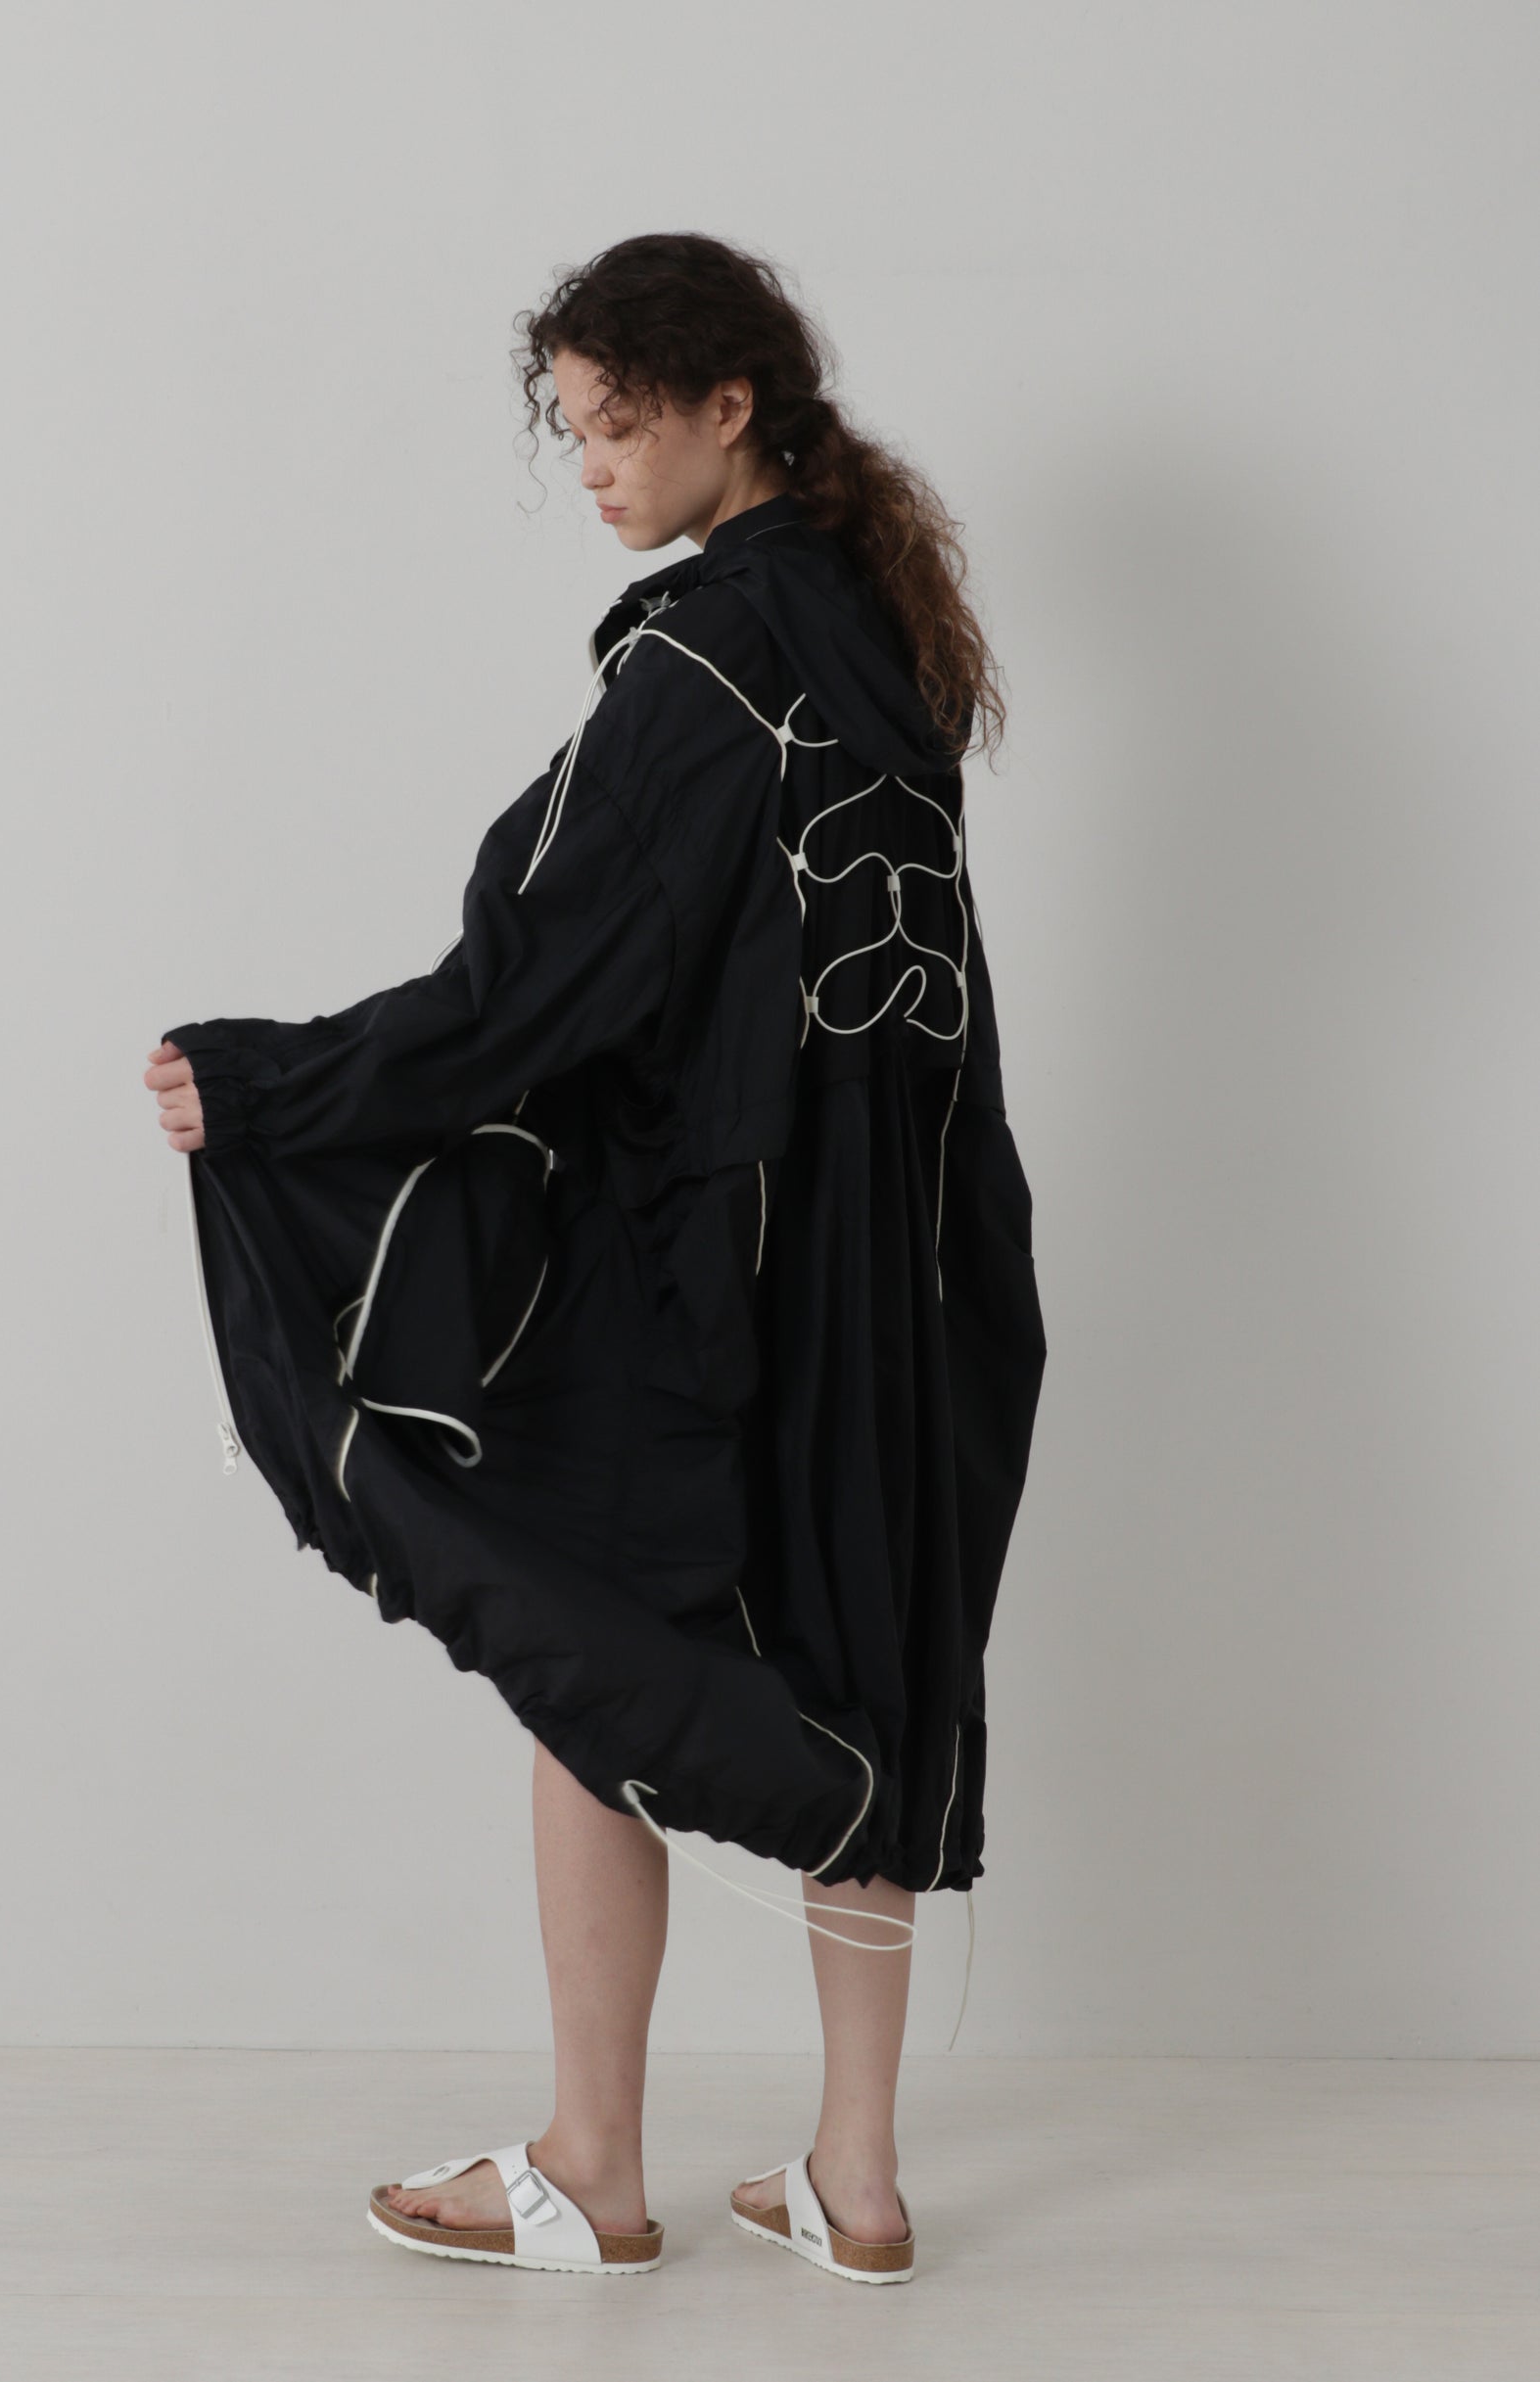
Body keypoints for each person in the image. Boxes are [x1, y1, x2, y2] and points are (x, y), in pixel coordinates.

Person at [143, 232, 1045, 2283]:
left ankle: (589, 2163)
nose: (593, 468)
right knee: (868, 1665)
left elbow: (535, 980)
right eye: (570, 432)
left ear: (731, 405)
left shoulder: (704, 663)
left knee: (584, 1649)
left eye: (616, 424)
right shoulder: (877, 638)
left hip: (720, 1262)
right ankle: (857, 2178)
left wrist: (272, 1085)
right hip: (905, 1254)